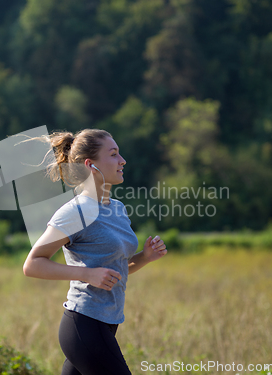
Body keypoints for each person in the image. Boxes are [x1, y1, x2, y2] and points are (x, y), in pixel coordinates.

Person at [22, 129, 168, 375]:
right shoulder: (75, 212)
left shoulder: (117, 209)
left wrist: (144, 257)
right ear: (90, 165)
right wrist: (86, 274)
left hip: (109, 323)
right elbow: (32, 264)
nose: (122, 161)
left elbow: (113, 272)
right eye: (113, 155)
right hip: (85, 324)